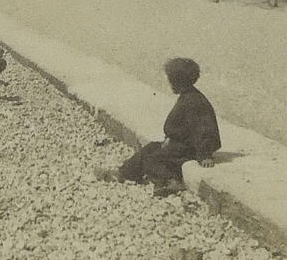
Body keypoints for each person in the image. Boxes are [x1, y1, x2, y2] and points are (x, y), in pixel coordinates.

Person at [95, 57, 221, 195]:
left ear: (178, 81)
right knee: (150, 148)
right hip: (179, 145)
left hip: (188, 149)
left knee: (152, 159)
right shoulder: (188, 96)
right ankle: (123, 173)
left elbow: (204, 131)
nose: (169, 83)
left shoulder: (195, 102)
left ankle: (171, 181)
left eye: (171, 80)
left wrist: (205, 156)